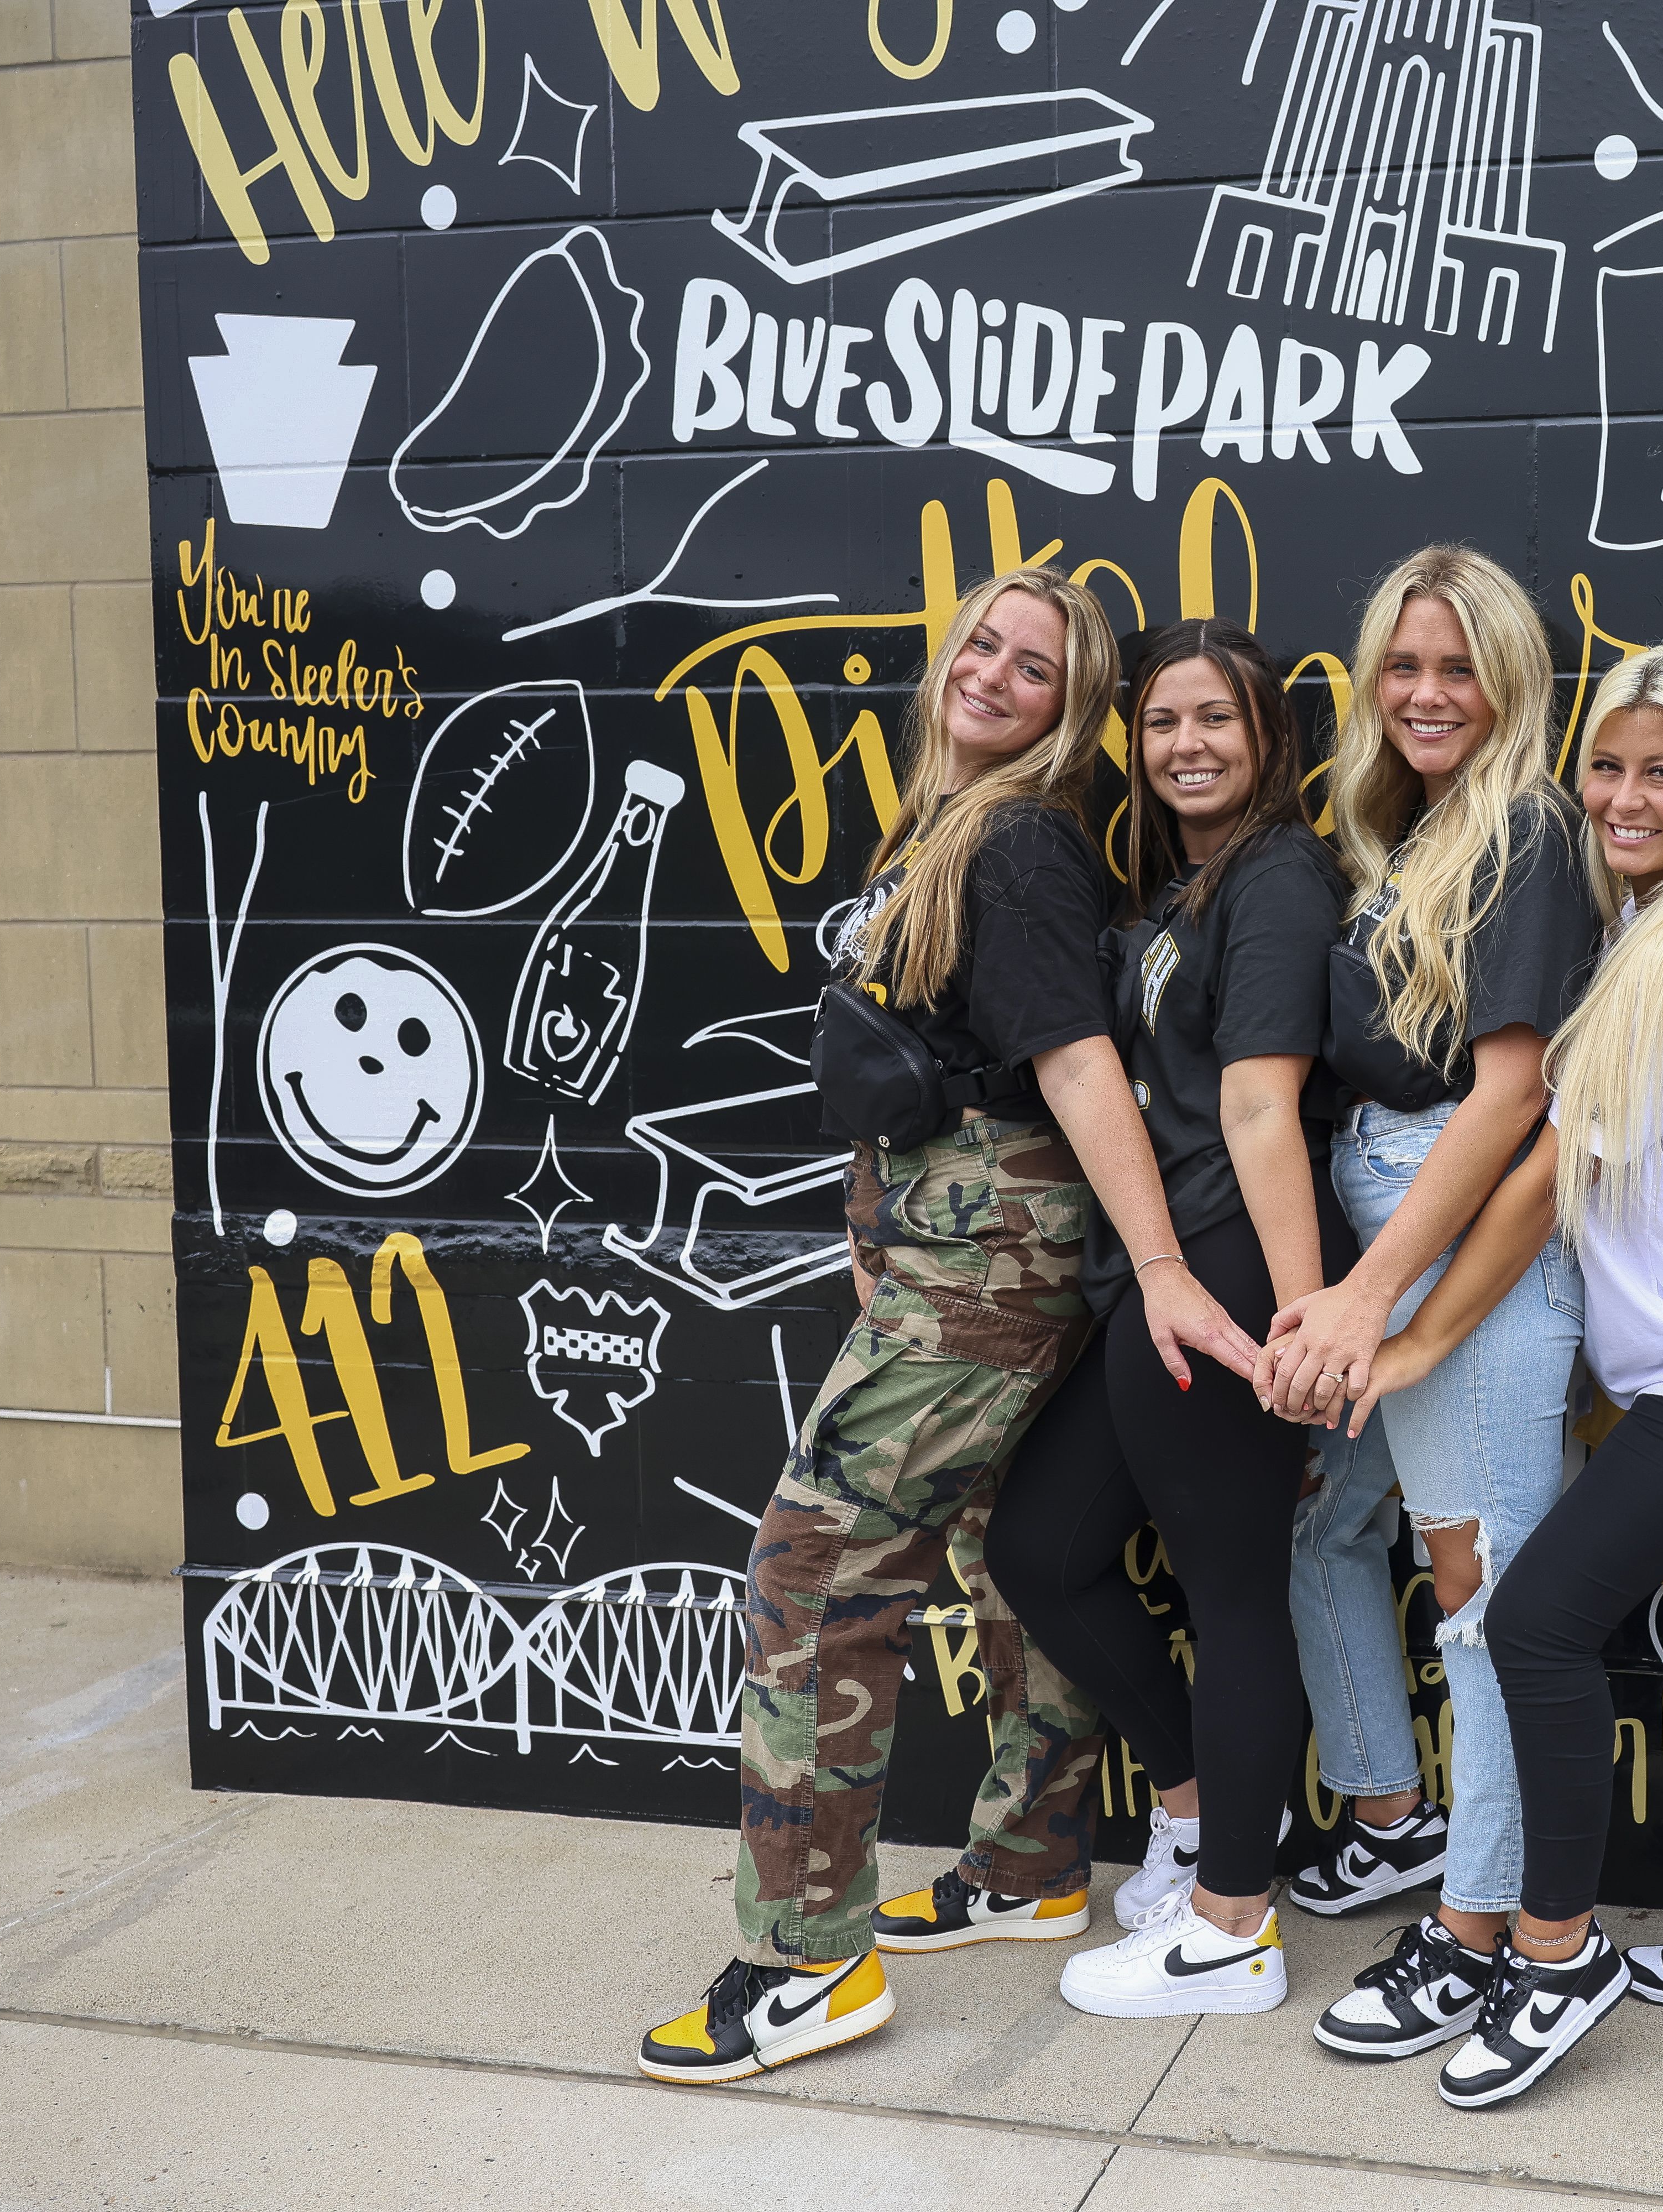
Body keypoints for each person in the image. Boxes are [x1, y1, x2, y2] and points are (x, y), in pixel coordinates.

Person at [637, 569, 1261, 2086]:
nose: (994, 672)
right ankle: (1037, 1861)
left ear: (1071, 713)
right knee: (991, 1548)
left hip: (994, 1238)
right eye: (983, 641)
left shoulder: (1027, 842)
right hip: (952, 1227)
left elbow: (1074, 1069)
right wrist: (883, 1226)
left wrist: (1161, 1264)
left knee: (815, 1562)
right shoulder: (955, 819)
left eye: (1037, 667)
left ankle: (806, 1966)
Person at [1280, 641, 1663, 2110]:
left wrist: (1411, 1335)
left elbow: (1536, 1184)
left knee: (1532, 1630)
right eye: (1609, 763)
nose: (1625, 793)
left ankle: (1552, 1954)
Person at [981, 621, 1356, 2018]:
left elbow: (1264, 1103)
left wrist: (1306, 1309)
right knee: (1044, 1545)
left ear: (1268, 736)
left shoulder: (1279, 879)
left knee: (1232, 1589)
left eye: (1218, 719)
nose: (1186, 744)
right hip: (1162, 1275)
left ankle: (1231, 1928)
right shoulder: (1181, 882)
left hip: (1231, 1273)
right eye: (1160, 723)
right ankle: (1199, 1816)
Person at [1258, 545, 1595, 2060]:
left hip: (1456, 1232)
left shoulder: (1527, 826)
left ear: (1513, 679)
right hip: (1397, 1210)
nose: (1426, 693)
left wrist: (1367, 1300)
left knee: (1485, 1599)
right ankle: (1441, 1863)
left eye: (1459, 667)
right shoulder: (1414, 835)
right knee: (1387, 1550)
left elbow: (1516, 1088)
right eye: (1403, 665)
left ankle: (1487, 1934)